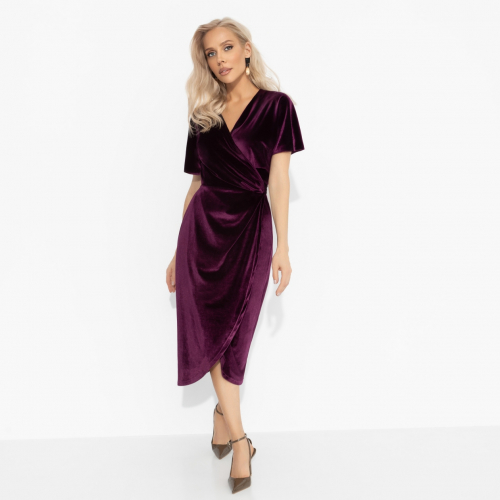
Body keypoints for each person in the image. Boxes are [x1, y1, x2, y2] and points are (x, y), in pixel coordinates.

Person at [166, 17, 304, 494]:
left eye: (227, 47)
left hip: (249, 228)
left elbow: (279, 180)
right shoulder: (202, 113)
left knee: (237, 334)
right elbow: (196, 184)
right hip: (201, 232)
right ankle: (241, 439)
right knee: (209, 331)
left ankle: (224, 416)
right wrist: (176, 250)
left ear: (246, 49)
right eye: (211, 52)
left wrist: (283, 245)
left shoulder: (277, 106)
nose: (220, 59)